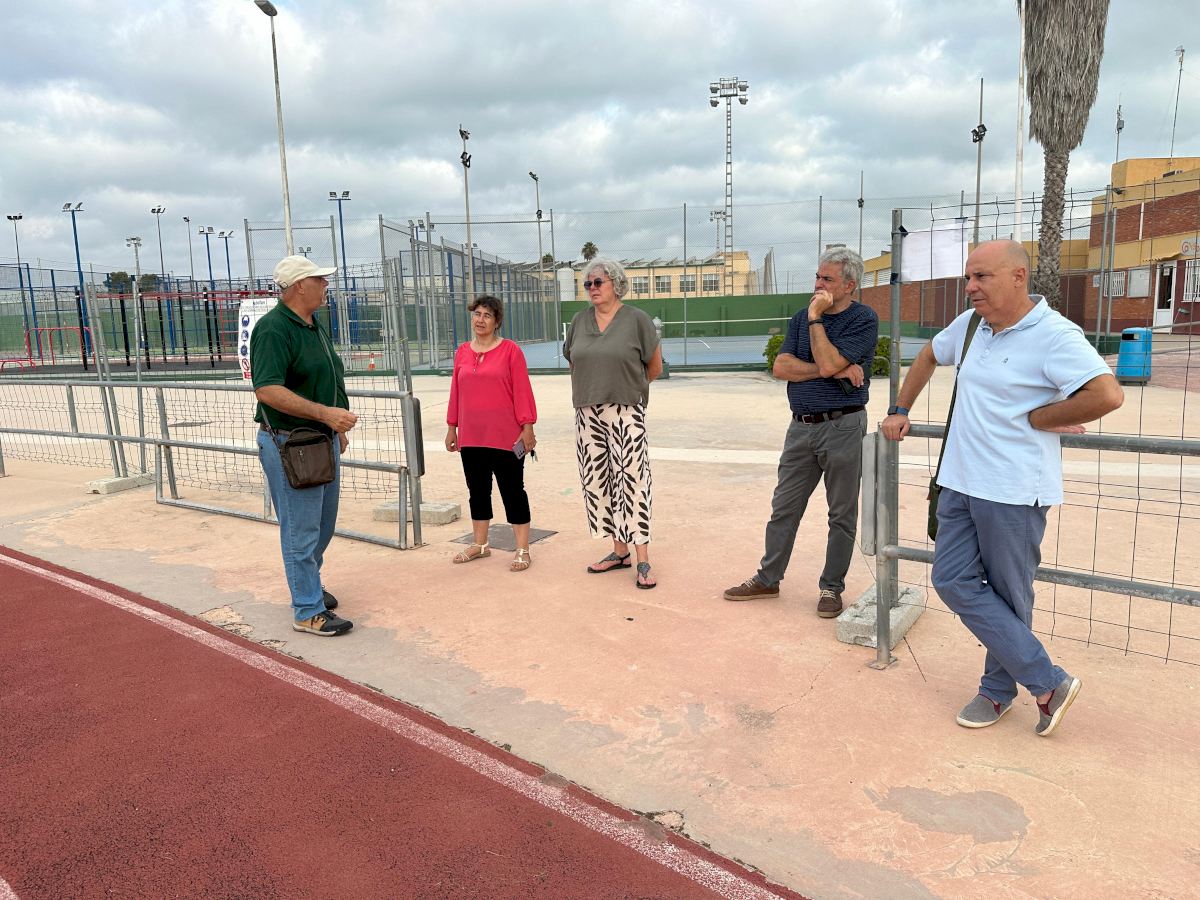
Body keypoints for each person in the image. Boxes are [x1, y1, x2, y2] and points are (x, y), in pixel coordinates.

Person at [881, 239, 1123, 736]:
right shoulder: (971, 326)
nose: (970, 287)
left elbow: (1106, 394)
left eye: (982, 277)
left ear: (1018, 277)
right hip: (958, 481)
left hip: (1014, 490)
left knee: (1010, 596)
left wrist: (1042, 417)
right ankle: (1049, 681)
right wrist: (900, 409)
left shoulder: (1054, 334)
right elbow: (927, 355)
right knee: (951, 580)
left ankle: (997, 691)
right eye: (968, 278)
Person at [723, 247, 879, 617]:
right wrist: (833, 370)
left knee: (841, 514)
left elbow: (826, 360)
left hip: (843, 426)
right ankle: (768, 578)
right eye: (817, 276)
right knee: (784, 507)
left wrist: (815, 321)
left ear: (849, 285)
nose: (818, 284)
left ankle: (831, 588)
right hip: (801, 428)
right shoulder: (799, 318)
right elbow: (781, 367)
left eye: (827, 279)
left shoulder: (862, 319)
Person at [252, 255, 358, 637]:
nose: (326, 285)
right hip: (290, 443)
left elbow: (331, 375)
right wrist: (326, 414)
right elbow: (267, 389)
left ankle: (308, 584)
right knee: (301, 530)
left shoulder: (313, 324)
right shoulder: (273, 329)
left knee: (322, 524)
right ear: (299, 286)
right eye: (319, 279)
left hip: (319, 439)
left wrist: (335, 426)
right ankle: (307, 609)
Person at [564, 258, 663, 589]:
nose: (591, 288)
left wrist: (629, 390)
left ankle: (642, 558)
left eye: (598, 282)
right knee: (599, 482)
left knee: (633, 482)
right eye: (587, 284)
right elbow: (574, 360)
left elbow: (654, 367)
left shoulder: (637, 320)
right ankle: (619, 552)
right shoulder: (579, 321)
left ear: (616, 285)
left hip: (625, 411)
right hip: (587, 412)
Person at [445, 295, 538, 571]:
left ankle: (522, 549)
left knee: (513, 491)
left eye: (487, 315)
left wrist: (528, 427)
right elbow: (456, 392)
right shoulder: (462, 352)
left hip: (506, 438)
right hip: (472, 437)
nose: (480, 319)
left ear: (497, 322)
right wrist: (452, 427)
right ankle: (480, 544)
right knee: (477, 490)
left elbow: (522, 390)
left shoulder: (510, 351)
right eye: (477, 314)